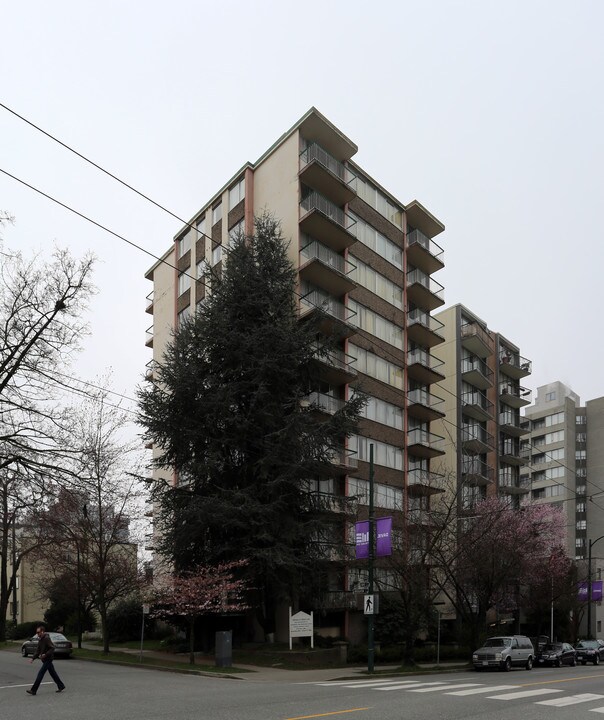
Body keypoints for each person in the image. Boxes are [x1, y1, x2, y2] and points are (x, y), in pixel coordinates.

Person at [26, 624, 66, 695]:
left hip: (48, 659)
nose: (37, 634)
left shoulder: (46, 638)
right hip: (45, 659)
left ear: (42, 632)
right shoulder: (40, 639)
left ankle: (33, 690)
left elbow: (52, 648)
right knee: (53, 673)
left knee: (40, 674)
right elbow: (38, 651)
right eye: (36, 632)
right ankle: (61, 686)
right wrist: (33, 658)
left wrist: (46, 654)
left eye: (38, 632)